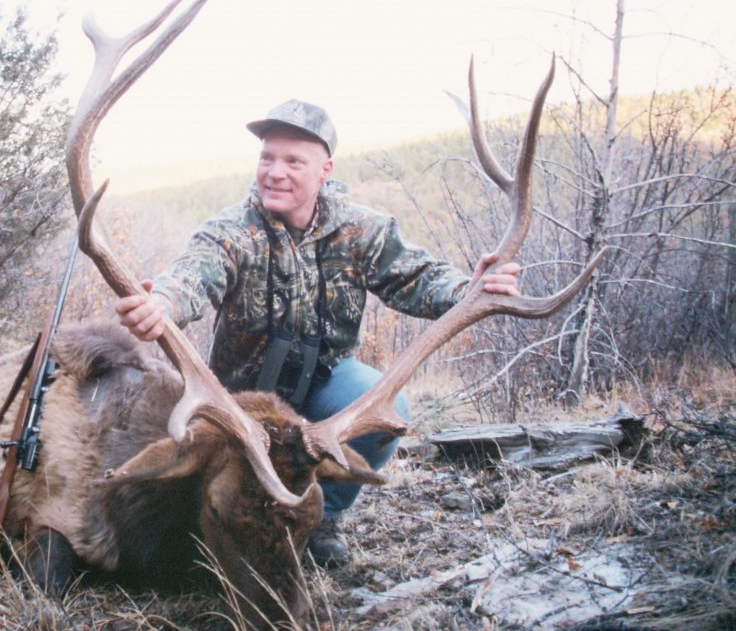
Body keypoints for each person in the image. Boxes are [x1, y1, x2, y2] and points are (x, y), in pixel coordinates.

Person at [114, 99, 520, 566]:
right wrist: (160, 305)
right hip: (243, 399)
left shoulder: (363, 231)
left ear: (324, 169)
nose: (275, 172)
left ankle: (320, 515)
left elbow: (419, 279)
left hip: (327, 389)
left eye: (293, 161)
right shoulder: (229, 232)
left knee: (386, 406)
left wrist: (471, 288)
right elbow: (192, 276)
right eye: (267, 158)